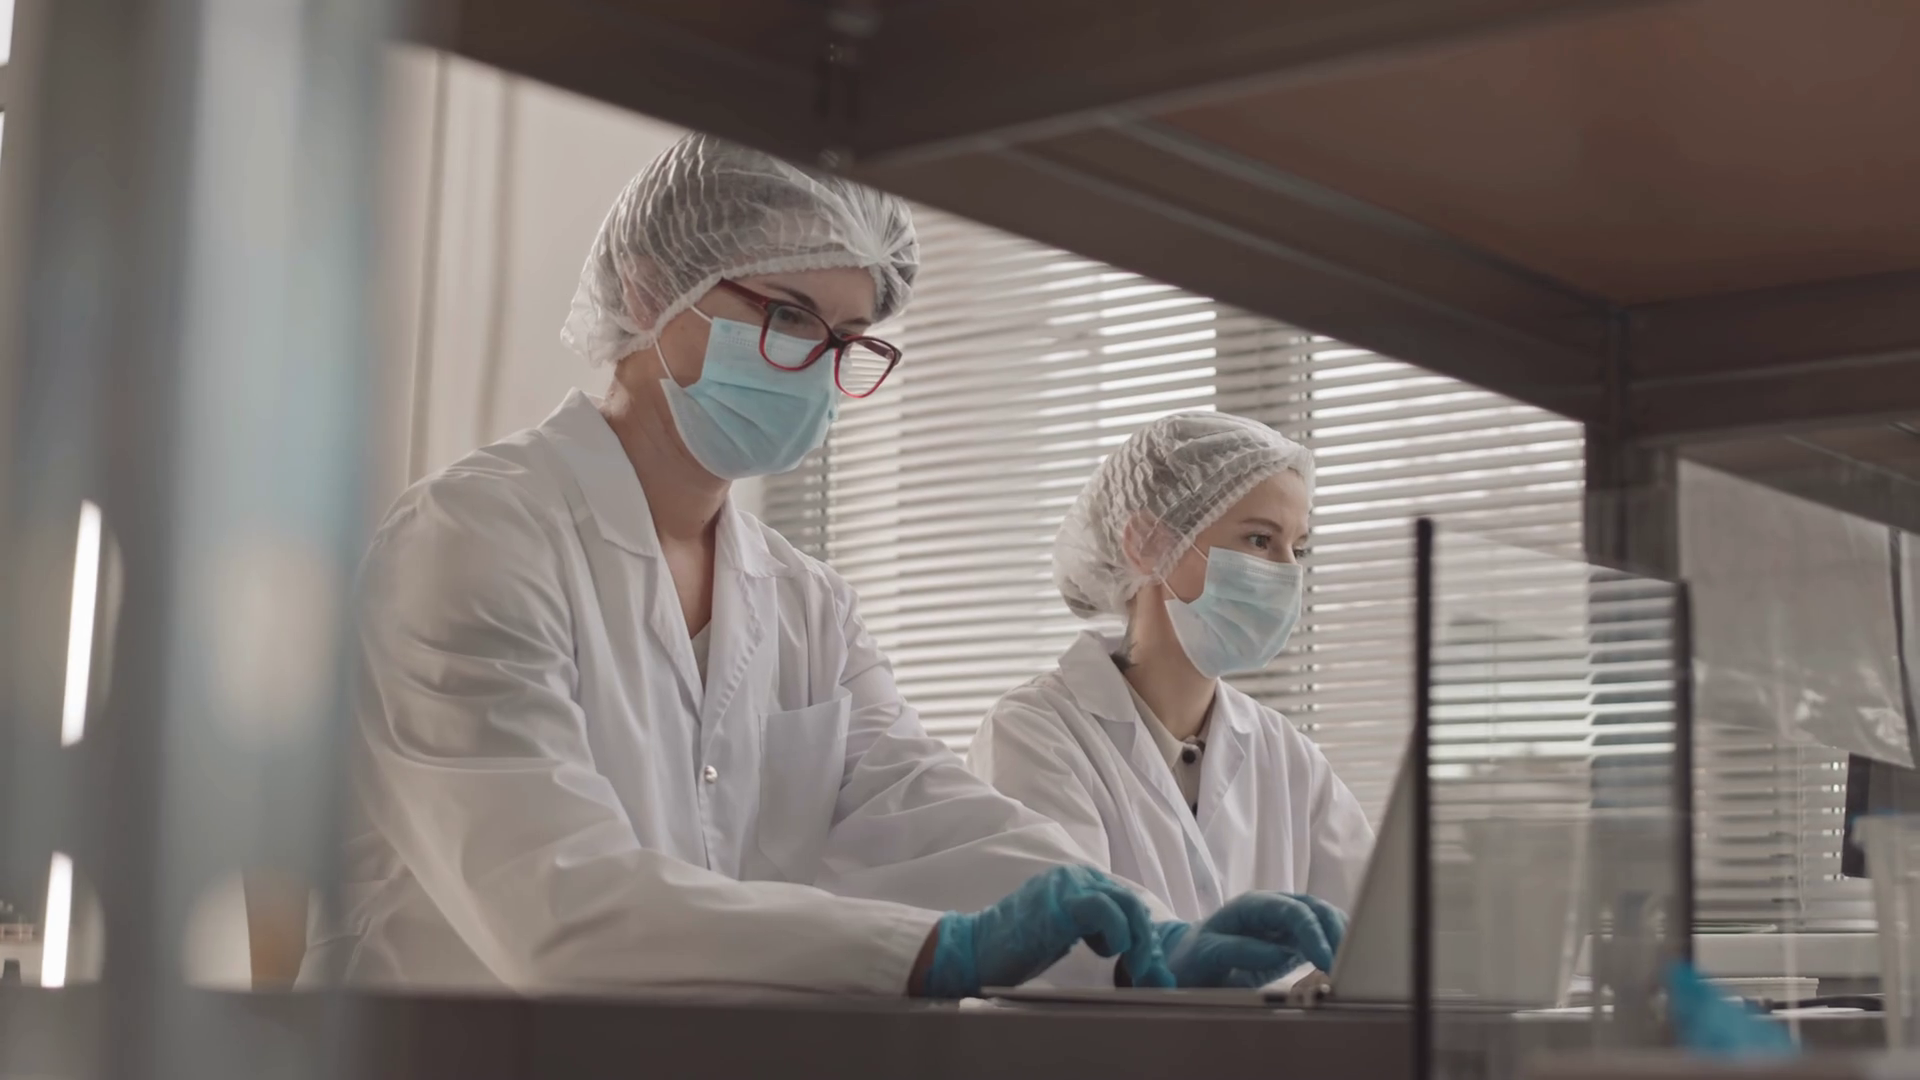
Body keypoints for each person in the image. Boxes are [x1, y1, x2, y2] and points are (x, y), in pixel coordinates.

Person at [303, 135, 1330, 998]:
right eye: (789, 317)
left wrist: (1153, 938)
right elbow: (556, 905)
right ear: (651, 287)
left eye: (848, 338)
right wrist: (938, 950)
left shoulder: (804, 604)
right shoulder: (476, 538)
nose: (821, 370)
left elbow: (923, 810)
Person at [968, 412, 1375, 943]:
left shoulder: (1289, 758)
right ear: (1148, 543)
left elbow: (1374, 944)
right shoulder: (1033, 736)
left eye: (1296, 548)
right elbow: (1062, 953)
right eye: (1258, 540)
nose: (1286, 572)